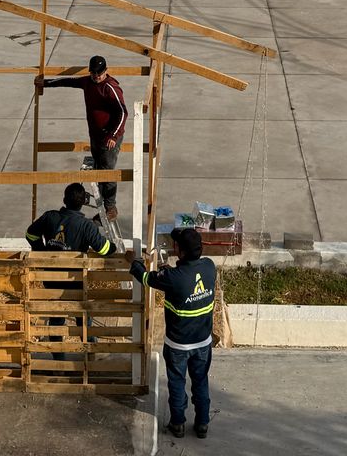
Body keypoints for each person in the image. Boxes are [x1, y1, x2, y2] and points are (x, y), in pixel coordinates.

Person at [131, 228, 216, 439]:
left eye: (176, 244)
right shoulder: (209, 267)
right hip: (203, 343)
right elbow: (186, 278)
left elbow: (145, 278)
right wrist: (172, 272)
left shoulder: (172, 278)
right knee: (200, 382)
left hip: (178, 345)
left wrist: (135, 264)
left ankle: (177, 424)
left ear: (181, 251)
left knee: (177, 383)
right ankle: (202, 424)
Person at [35, 55, 127, 220]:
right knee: (98, 171)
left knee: (108, 172)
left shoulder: (110, 88)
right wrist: (46, 83)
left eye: (99, 73)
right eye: (93, 73)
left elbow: (122, 113)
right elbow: (68, 82)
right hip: (95, 136)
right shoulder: (87, 82)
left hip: (109, 138)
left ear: (105, 71)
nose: (96, 76)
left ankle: (111, 207)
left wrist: (113, 136)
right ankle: (103, 210)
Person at [25, 183, 112, 255]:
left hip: (49, 268)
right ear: (84, 202)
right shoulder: (87, 226)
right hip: (75, 270)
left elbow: (30, 234)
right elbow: (104, 249)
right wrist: (114, 247)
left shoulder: (49, 217)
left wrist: (42, 252)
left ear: (64, 200)